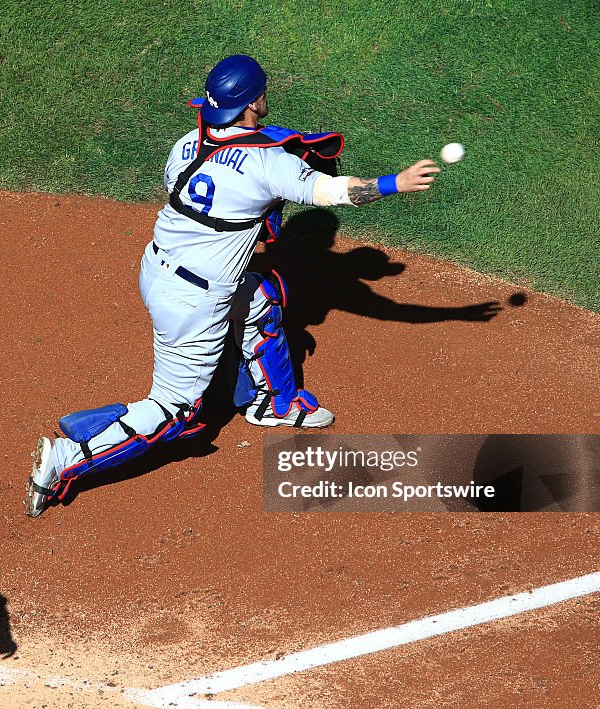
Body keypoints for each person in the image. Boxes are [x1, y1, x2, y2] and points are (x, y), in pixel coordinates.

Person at [25, 54, 440, 518]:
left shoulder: (187, 142)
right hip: (192, 301)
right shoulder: (269, 163)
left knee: (260, 297)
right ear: (254, 103)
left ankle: (273, 403)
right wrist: (396, 182)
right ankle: (64, 460)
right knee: (176, 412)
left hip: (157, 269)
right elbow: (334, 191)